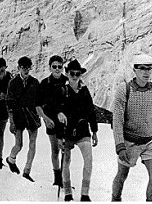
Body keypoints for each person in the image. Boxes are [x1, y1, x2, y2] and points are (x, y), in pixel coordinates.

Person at [111, 54, 152, 202]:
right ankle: (115, 199)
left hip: (149, 141)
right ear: (135, 70)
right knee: (122, 175)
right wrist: (120, 146)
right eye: (142, 68)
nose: (146, 72)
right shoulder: (124, 89)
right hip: (129, 141)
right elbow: (117, 119)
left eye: (149, 69)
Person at [57, 59, 98, 202]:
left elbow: (91, 111)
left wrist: (94, 131)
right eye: (72, 73)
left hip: (82, 130)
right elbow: (56, 109)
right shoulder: (62, 90)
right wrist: (59, 114)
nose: (75, 76)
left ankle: (85, 194)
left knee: (89, 161)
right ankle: (68, 192)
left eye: (77, 74)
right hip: (66, 132)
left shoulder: (84, 91)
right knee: (66, 161)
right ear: (67, 73)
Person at [6, 56, 41, 182]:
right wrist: (11, 121)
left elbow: (39, 101)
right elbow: (9, 103)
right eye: (23, 67)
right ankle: (11, 159)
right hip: (18, 116)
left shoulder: (35, 82)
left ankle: (27, 171)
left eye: (28, 68)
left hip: (32, 116)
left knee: (32, 144)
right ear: (19, 68)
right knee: (19, 145)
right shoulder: (13, 83)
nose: (26, 70)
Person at [36, 55, 69, 187]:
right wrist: (45, 118)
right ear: (50, 67)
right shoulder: (44, 83)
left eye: (59, 67)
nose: (57, 69)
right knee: (55, 150)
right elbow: (38, 105)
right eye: (54, 66)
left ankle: (64, 178)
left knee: (66, 150)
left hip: (65, 121)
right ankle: (57, 178)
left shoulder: (67, 81)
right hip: (51, 121)